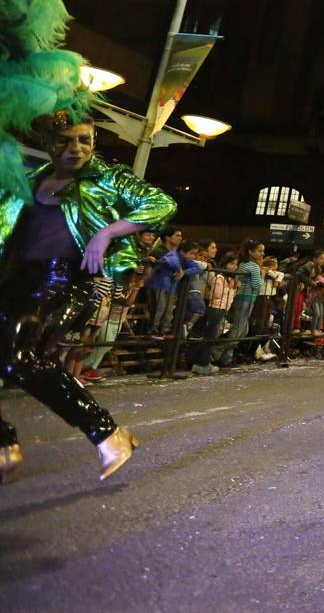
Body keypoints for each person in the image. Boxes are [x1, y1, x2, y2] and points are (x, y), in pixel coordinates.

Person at [0, 110, 175, 481]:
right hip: (15, 281)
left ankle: (108, 434)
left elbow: (162, 204)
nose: (75, 148)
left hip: (69, 280)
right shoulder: (29, 180)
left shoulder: (109, 178)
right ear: (48, 145)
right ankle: (4, 446)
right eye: (65, 140)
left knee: (23, 357)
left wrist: (107, 233)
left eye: (84, 140)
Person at [218, 240, 264, 366]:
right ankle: (223, 356)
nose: (262, 254)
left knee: (243, 330)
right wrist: (263, 275)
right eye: (259, 251)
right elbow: (257, 285)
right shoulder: (253, 266)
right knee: (239, 330)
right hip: (247, 298)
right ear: (250, 252)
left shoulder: (243, 264)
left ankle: (226, 355)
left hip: (242, 298)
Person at [192, 252, 237, 375]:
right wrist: (231, 287)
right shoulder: (220, 277)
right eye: (232, 263)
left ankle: (200, 363)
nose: (234, 267)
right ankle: (202, 363)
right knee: (209, 337)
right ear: (225, 264)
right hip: (216, 308)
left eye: (235, 264)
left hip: (222, 309)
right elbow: (217, 294)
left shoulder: (229, 279)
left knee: (211, 337)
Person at [144, 226, 185, 337]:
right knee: (158, 308)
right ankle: (152, 330)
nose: (180, 238)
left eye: (181, 236)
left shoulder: (177, 253)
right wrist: (179, 268)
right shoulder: (158, 251)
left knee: (167, 310)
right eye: (177, 235)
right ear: (167, 237)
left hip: (170, 286)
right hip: (157, 285)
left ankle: (163, 330)